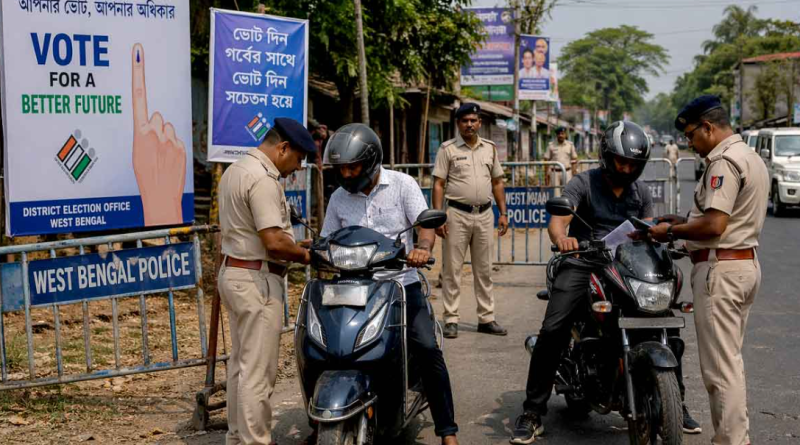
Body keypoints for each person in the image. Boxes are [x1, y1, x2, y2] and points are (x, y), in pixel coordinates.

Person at [511, 121, 702, 444]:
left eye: (632, 164)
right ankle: (532, 412)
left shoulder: (640, 192)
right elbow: (560, 220)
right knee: (554, 328)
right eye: (620, 161)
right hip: (584, 261)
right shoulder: (583, 183)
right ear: (607, 157)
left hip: (624, 266)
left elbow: (647, 227)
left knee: (664, 321)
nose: (626, 168)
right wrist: (562, 240)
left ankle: (675, 403)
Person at [320, 123, 460, 445]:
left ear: (370, 161)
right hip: (353, 288)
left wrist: (422, 249)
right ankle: (324, 414)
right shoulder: (339, 197)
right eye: (341, 168)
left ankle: (447, 431)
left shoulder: (402, 184)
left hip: (399, 285)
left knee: (427, 348)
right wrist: (318, 252)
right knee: (324, 346)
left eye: (352, 166)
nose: (347, 173)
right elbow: (327, 239)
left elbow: (424, 226)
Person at [649, 95, 768, 445]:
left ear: (708, 127)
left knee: (720, 369)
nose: (688, 142)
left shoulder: (723, 162)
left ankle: (732, 441)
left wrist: (670, 231)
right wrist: (685, 222)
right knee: (729, 361)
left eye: (691, 135)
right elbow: (726, 220)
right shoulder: (749, 157)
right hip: (743, 264)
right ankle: (733, 437)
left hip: (723, 271)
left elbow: (715, 225)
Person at [217, 118, 316, 445]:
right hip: (256, 279)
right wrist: (304, 255)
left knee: (240, 367)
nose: (298, 167)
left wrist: (296, 245)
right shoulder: (263, 179)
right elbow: (273, 242)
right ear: (282, 148)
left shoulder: (236, 170)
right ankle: (256, 440)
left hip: (235, 271)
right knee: (258, 372)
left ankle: (237, 437)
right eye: (298, 158)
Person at [432, 103, 509, 339]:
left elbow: (497, 182)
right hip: (456, 214)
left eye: (473, 120)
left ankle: (486, 318)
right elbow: (438, 184)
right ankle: (451, 319)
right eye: (464, 120)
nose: (469, 124)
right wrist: (438, 216)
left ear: (479, 123)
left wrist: (503, 213)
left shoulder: (490, 149)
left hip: (485, 215)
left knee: (484, 270)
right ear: (458, 123)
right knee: (452, 270)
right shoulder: (448, 149)